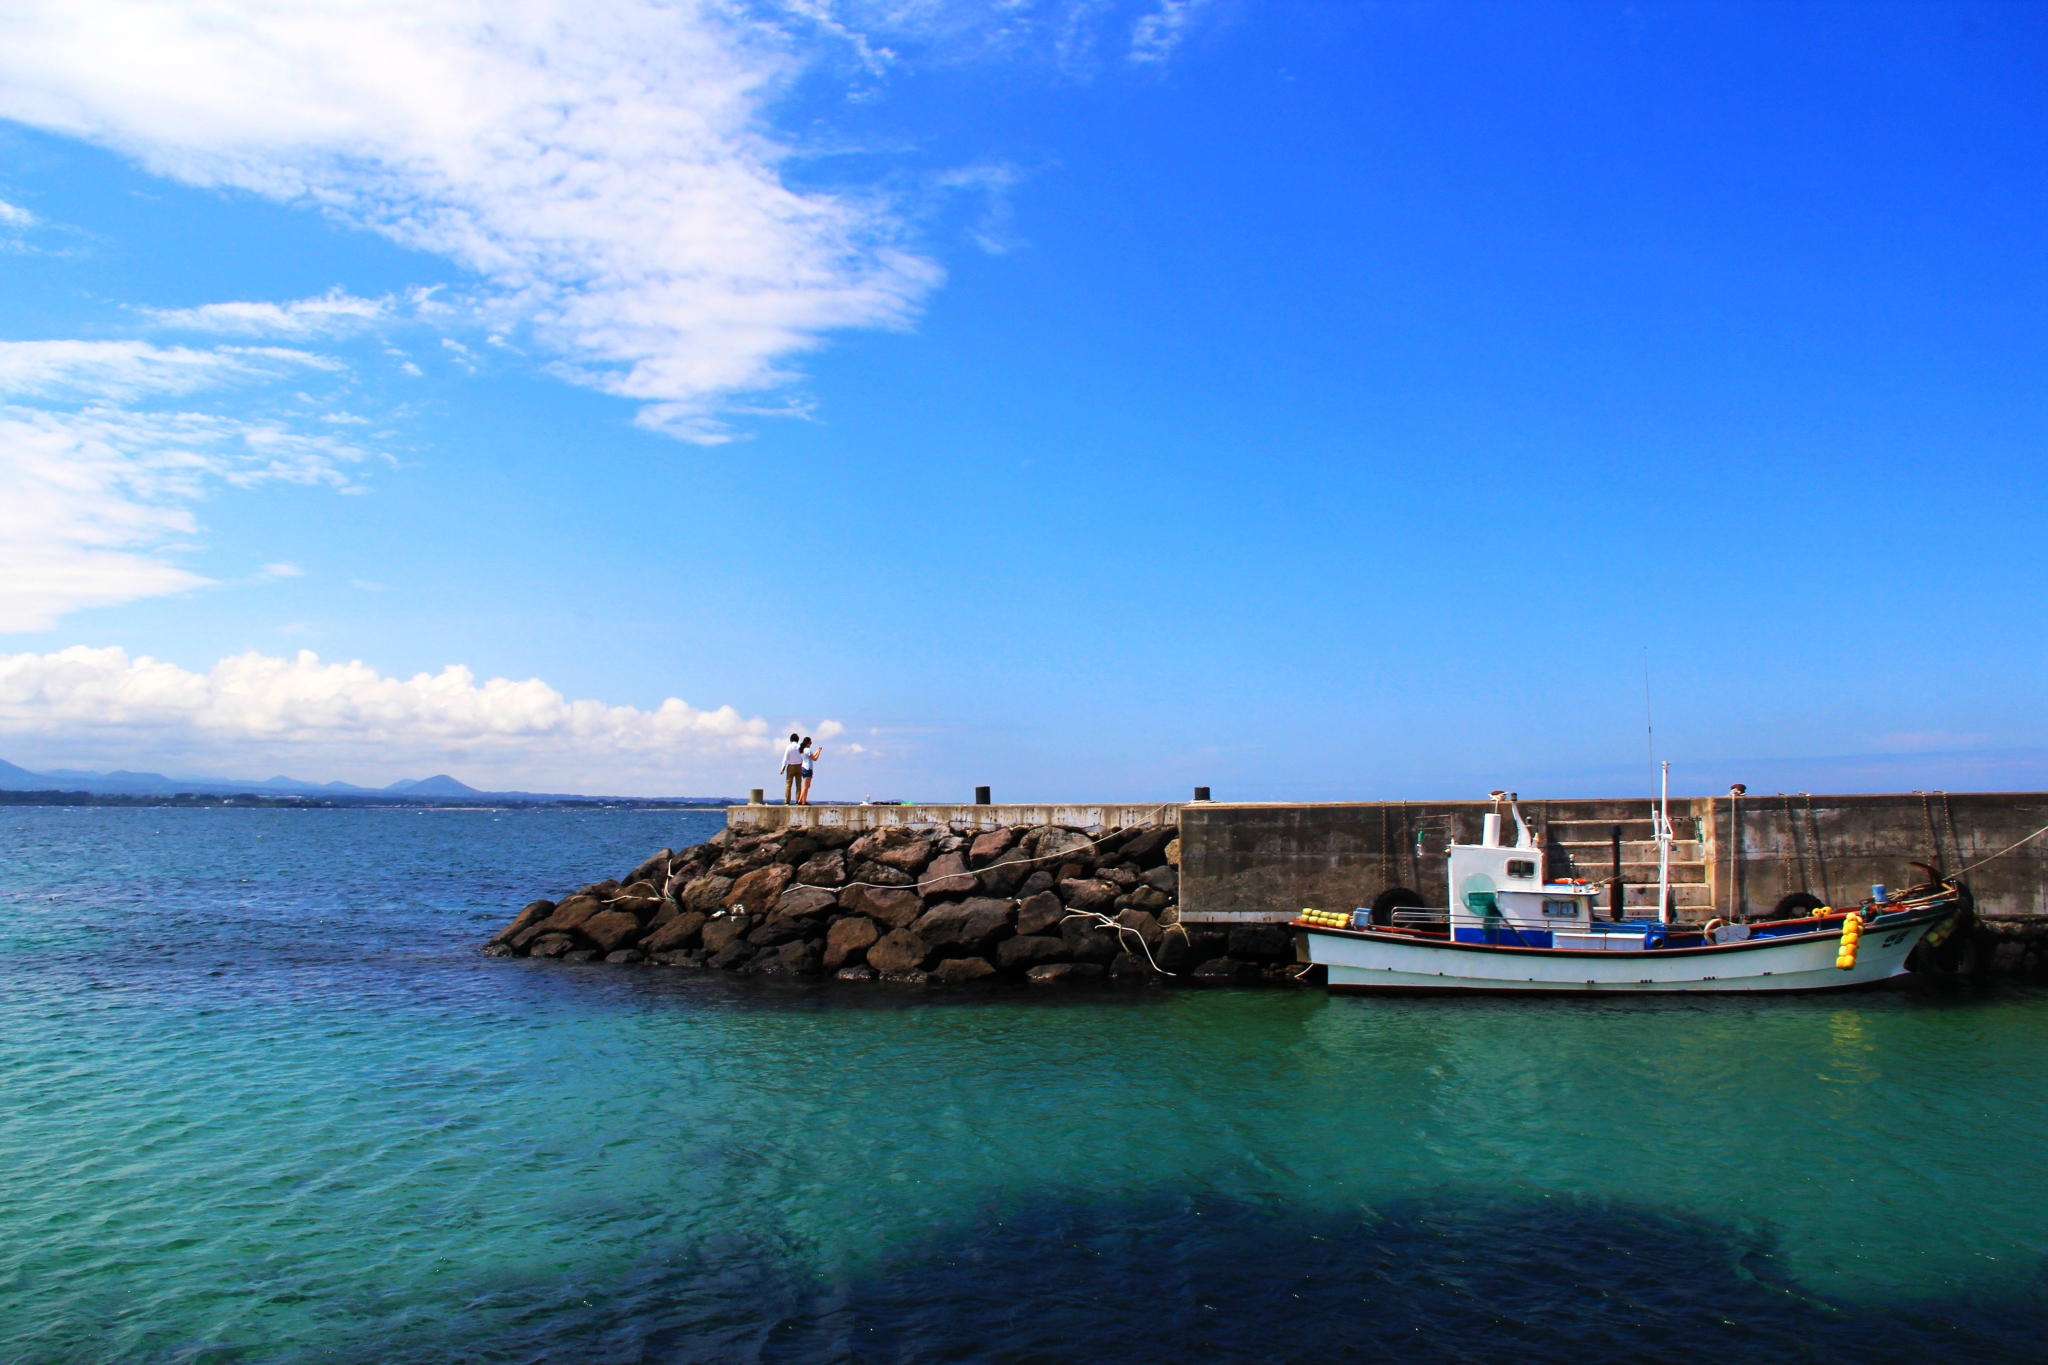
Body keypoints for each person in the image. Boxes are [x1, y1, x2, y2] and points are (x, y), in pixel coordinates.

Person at [780, 733, 805, 804]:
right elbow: (802, 757)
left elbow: (786, 758)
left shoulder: (789, 747)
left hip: (791, 766)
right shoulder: (800, 746)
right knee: (798, 784)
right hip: (799, 766)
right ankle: (798, 800)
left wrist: (783, 768)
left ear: (791, 740)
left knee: (788, 784)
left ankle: (787, 800)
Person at [800, 738, 822, 805]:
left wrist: (817, 750)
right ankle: (801, 800)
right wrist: (819, 752)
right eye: (810, 742)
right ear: (808, 743)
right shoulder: (808, 750)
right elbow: (815, 758)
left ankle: (802, 800)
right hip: (808, 768)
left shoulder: (804, 750)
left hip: (803, 768)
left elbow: (812, 756)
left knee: (807, 786)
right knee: (806, 786)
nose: (811, 744)